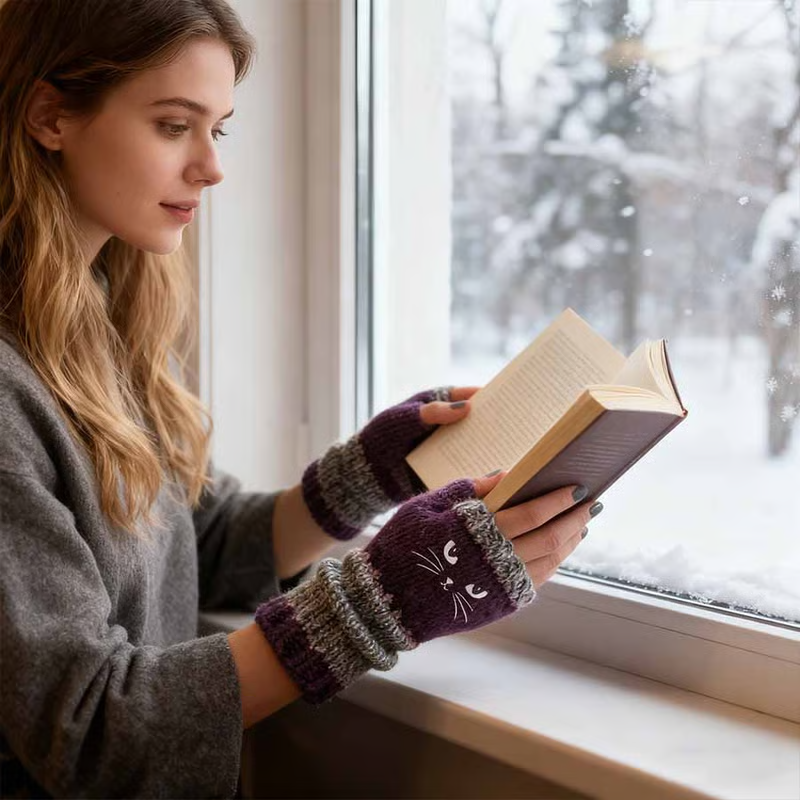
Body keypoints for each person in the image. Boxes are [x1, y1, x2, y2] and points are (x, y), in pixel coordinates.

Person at [0, 0, 601, 796]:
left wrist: (373, 472)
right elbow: (88, 733)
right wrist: (382, 600)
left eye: (219, 129)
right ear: (50, 116)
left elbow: (192, 545)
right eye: (174, 125)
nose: (212, 168)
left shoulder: (100, 323)